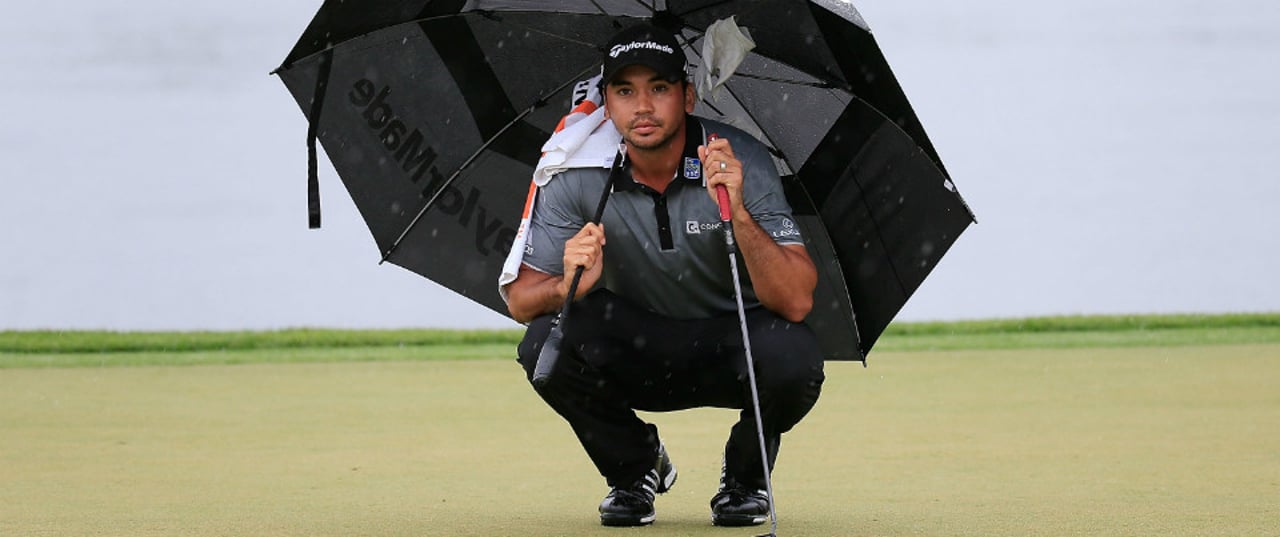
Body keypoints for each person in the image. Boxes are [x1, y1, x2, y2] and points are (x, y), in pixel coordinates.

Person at [503, 23, 825, 528]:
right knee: (544, 345)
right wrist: (570, 283)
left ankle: (745, 479)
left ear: (687, 95)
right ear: (607, 104)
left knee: (796, 356)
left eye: (659, 89)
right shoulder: (575, 170)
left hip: (730, 340)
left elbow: (796, 301)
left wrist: (738, 213)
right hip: (636, 345)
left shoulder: (741, 160)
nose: (643, 107)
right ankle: (635, 468)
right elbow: (521, 302)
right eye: (625, 92)